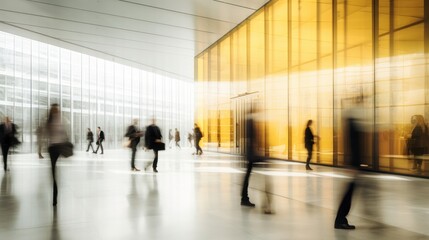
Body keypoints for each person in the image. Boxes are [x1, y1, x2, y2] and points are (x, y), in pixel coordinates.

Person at [334, 95, 366, 230]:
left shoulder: (352, 119)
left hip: (354, 163)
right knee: (349, 191)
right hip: (354, 163)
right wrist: (353, 164)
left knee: (350, 190)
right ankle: (340, 219)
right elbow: (353, 144)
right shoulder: (353, 121)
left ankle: (341, 218)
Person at [46, 103, 68, 206]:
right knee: (53, 172)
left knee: (54, 172)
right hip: (53, 148)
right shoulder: (51, 120)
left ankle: (55, 197)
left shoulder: (59, 119)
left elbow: (63, 133)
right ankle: (55, 196)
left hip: (57, 147)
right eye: (55, 109)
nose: (56, 110)